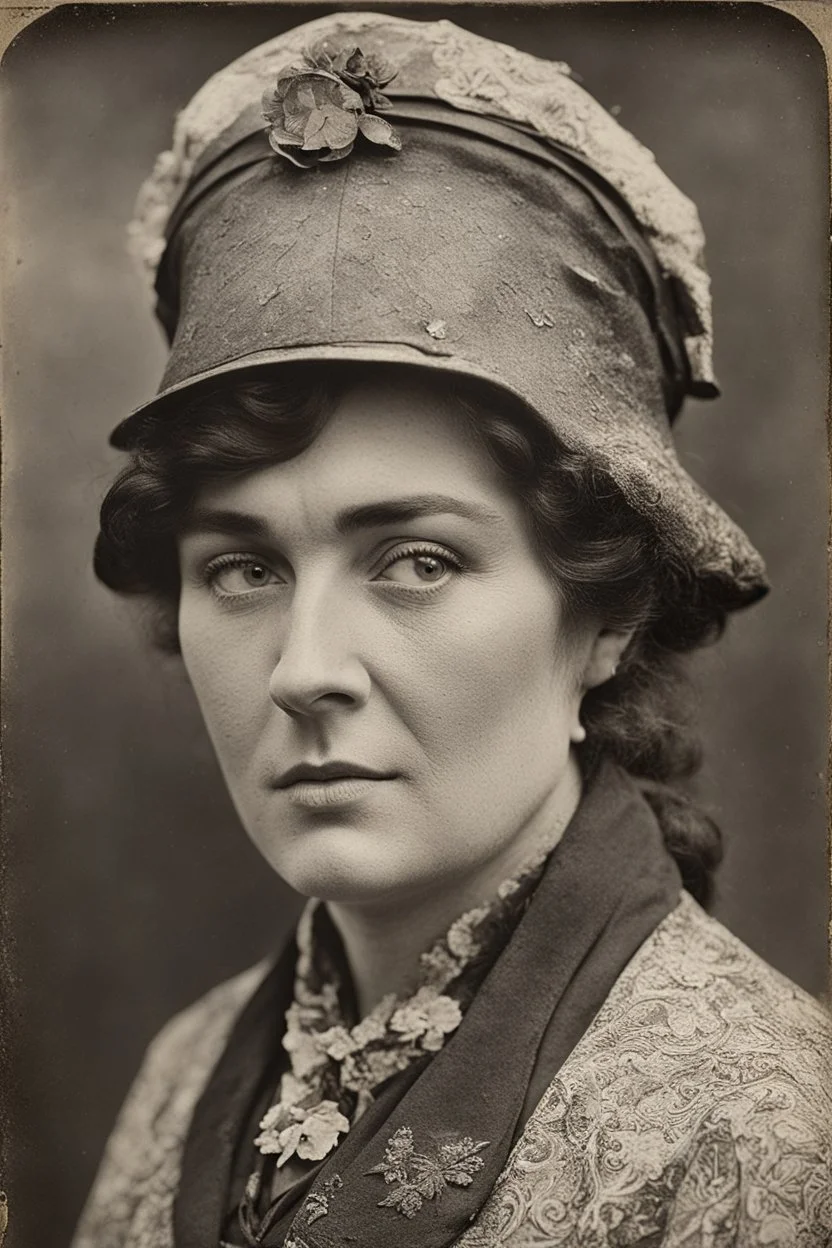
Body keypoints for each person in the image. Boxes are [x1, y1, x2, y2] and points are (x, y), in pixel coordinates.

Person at [71, 12, 831, 1248]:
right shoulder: (187, 1072)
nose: (307, 671)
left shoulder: (765, 1133)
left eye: (417, 561)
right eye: (243, 569)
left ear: (605, 616)